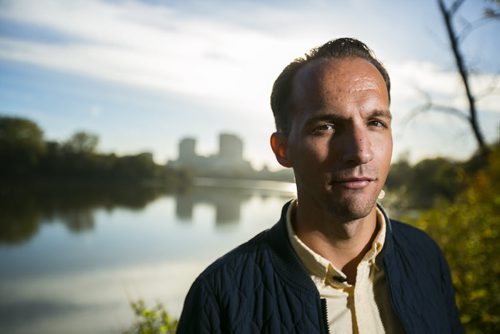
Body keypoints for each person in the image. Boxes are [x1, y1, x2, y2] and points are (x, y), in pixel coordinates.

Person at [177, 38, 463, 333]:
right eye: (325, 127)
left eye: (375, 122)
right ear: (283, 149)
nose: (361, 151)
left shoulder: (425, 256)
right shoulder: (220, 295)